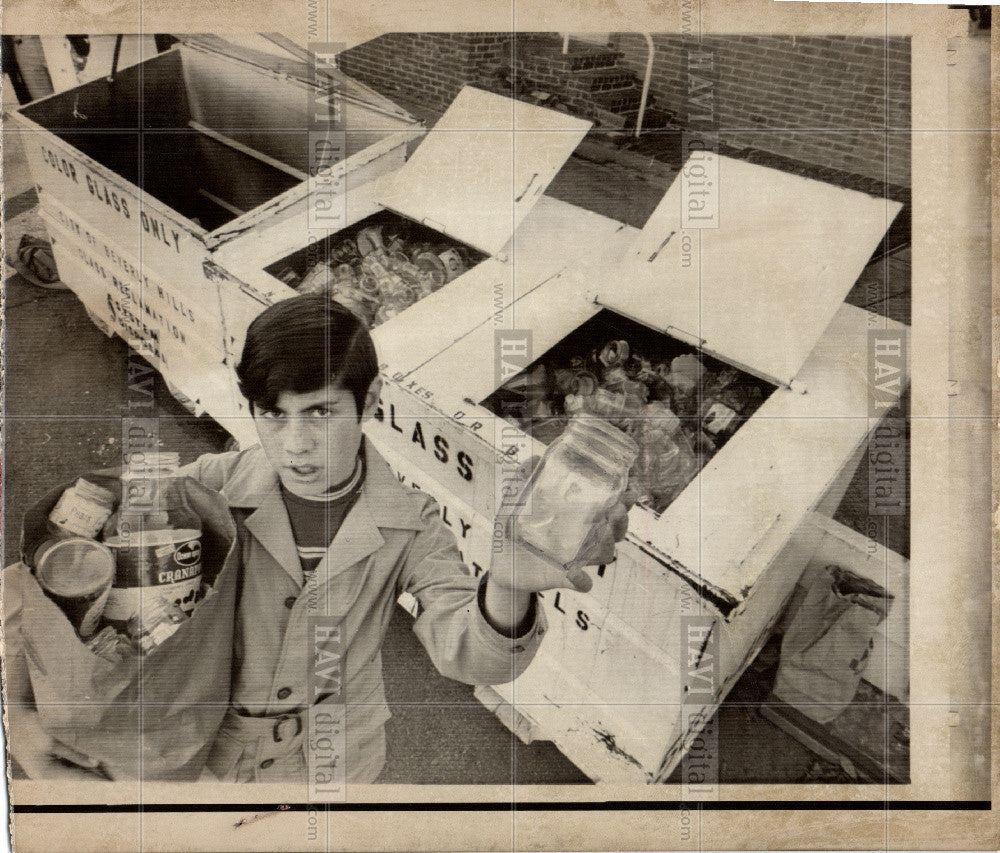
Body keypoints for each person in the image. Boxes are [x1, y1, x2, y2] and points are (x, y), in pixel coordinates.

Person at [179, 294, 629, 784]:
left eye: (320, 413)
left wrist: (508, 584)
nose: (295, 444)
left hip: (335, 763)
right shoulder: (207, 488)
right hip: (202, 754)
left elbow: (467, 651)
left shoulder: (411, 524)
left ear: (369, 400)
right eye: (272, 414)